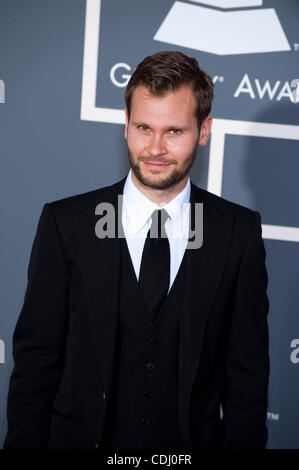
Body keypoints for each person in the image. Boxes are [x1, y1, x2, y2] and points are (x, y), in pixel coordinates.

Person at [3, 51, 270, 449]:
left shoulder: (238, 232)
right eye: (144, 127)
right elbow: (35, 366)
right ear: (126, 126)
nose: (156, 148)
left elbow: (247, 379)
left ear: (204, 130)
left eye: (174, 131)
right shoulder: (68, 223)